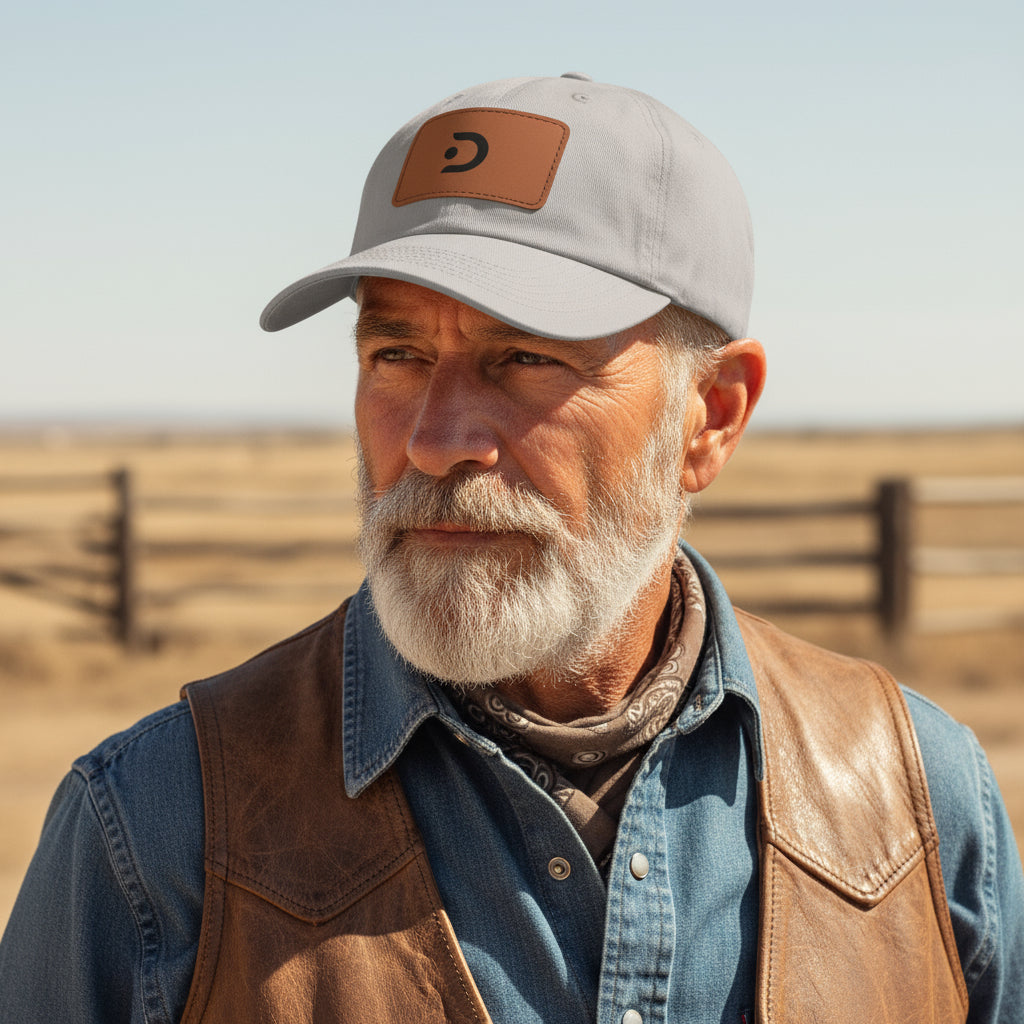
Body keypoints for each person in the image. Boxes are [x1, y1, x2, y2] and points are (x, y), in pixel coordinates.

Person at [1, 72, 1021, 1024]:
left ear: (708, 416)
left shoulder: (918, 805)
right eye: (396, 353)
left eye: (524, 357)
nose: (437, 439)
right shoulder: (153, 831)